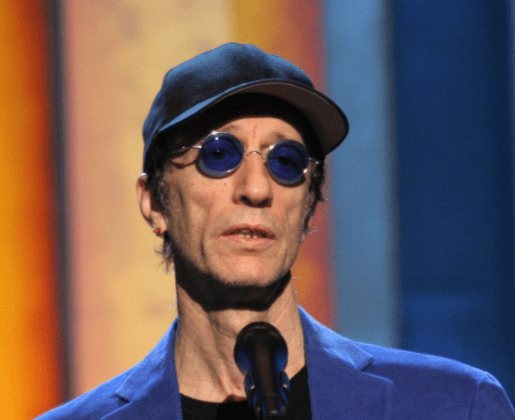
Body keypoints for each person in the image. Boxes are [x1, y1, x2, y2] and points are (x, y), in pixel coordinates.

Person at [36, 43, 515, 420]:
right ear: (155, 202)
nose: (257, 188)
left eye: (285, 163)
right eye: (219, 154)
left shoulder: (455, 406)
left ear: (308, 208)